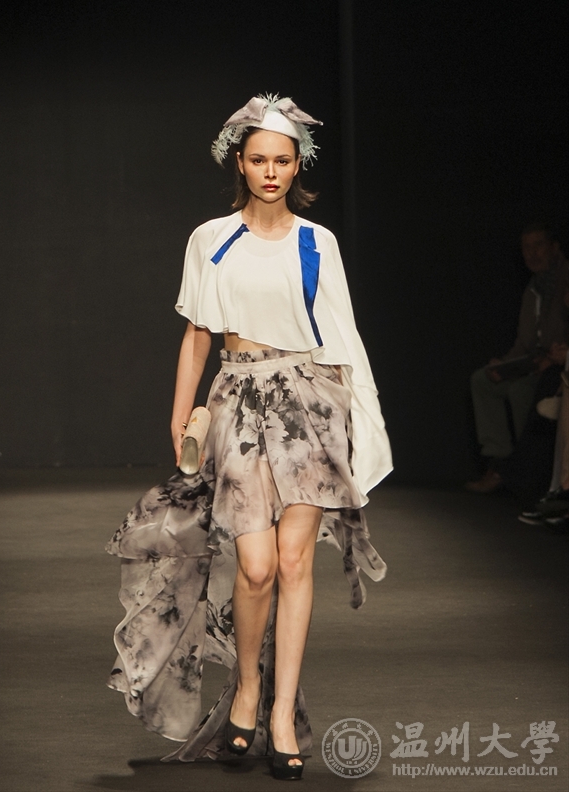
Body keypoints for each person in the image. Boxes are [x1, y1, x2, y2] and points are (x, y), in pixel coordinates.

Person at [105, 94, 392, 780]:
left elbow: (344, 335)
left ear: (298, 165)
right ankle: (246, 688)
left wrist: (363, 420)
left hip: (311, 404)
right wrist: (181, 413)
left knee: (294, 564)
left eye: (282, 161)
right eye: (259, 160)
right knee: (255, 567)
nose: (270, 172)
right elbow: (197, 333)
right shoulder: (211, 238)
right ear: (239, 162)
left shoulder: (318, 242)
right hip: (237, 401)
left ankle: (281, 713)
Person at [466, 222, 569, 493]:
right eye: (526, 247)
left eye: (538, 245)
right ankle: (500, 461)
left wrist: (554, 358)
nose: (532, 253)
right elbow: (525, 343)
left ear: (554, 247)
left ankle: (528, 470)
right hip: (534, 363)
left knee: (522, 391)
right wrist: (506, 364)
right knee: (484, 380)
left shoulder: (564, 280)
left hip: (557, 368)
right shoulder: (534, 288)